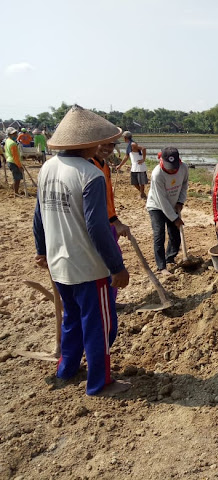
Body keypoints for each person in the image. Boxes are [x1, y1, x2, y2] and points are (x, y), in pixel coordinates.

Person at [32, 105, 130, 396]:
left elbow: (38, 216)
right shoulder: (91, 175)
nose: (104, 147)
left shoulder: (47, 168)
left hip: (59, 261)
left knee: (72, 318)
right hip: (89, 266)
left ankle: (67, 368)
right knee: (100, 325)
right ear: (88, 144)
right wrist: (116, 267)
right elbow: (97, 228)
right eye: (100, 143)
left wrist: (41, 250)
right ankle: (99, 383)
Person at [146, 147, 189, 275]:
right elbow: (161, 200)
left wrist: (180, 201)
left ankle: (170, 257)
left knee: (175, 235)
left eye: (174, 166)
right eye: (169, 167)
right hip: (156, 206)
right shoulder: (157, 174)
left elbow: (184, 185)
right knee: (159, 234)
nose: (172, 169)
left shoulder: (183, 168)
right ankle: (161, 267)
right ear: (162, 161)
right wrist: (174, 218)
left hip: (173, 203)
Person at [117, 130, 148, 199]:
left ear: (125, 137)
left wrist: (143, 159)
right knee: (134, 182)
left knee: (141, 182)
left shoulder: (133, 144)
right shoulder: (129, 145)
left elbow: (143, 148)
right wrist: (120, 165)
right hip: (134, 166)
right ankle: (142, 193)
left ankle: (142, 194)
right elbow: (126, 156)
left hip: (139, 165)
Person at [4, 127, 24, 196]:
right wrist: (19, 166)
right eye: (13, 134)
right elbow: (15, 157)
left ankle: (14, 189)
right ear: (9, 135)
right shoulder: (13, 144)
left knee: (16, 177)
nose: (15, 135)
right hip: (14, 162)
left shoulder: (7, 141)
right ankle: (16, 192)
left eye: (15, 133)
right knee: (17, 178)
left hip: (10, 161)